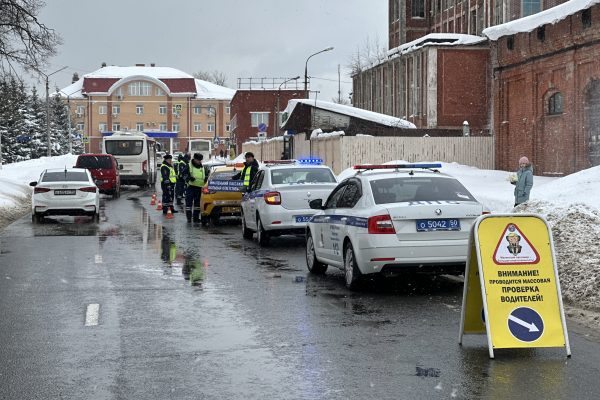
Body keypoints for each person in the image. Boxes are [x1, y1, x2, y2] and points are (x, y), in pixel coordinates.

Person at [183, 153, 206, 223]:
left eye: (200, 160)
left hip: (199, 187)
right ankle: (189, 218)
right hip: (190, 187)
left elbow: (204, 176)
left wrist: (206, 179)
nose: (200, 161)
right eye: (198, 160)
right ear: (195, 159)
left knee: (197, 205)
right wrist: (189, 178)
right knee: (189, 204)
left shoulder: (202, 167)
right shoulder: (189, 165)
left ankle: (196, 218)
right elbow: (183, 174)